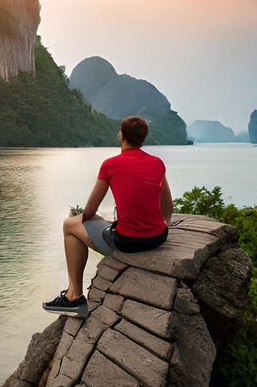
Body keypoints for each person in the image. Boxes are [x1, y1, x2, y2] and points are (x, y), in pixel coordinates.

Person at [42, 116, 173, 318]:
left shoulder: (110, 165)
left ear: (121, 135)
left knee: (69, 225)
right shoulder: (157, 163)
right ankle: (73, 295)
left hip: (128, 243)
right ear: (143, 138)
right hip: (157, 238)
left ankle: (74, 296)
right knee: (104, 222)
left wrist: (91, 218)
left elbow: (89, 210)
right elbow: (167, 210)